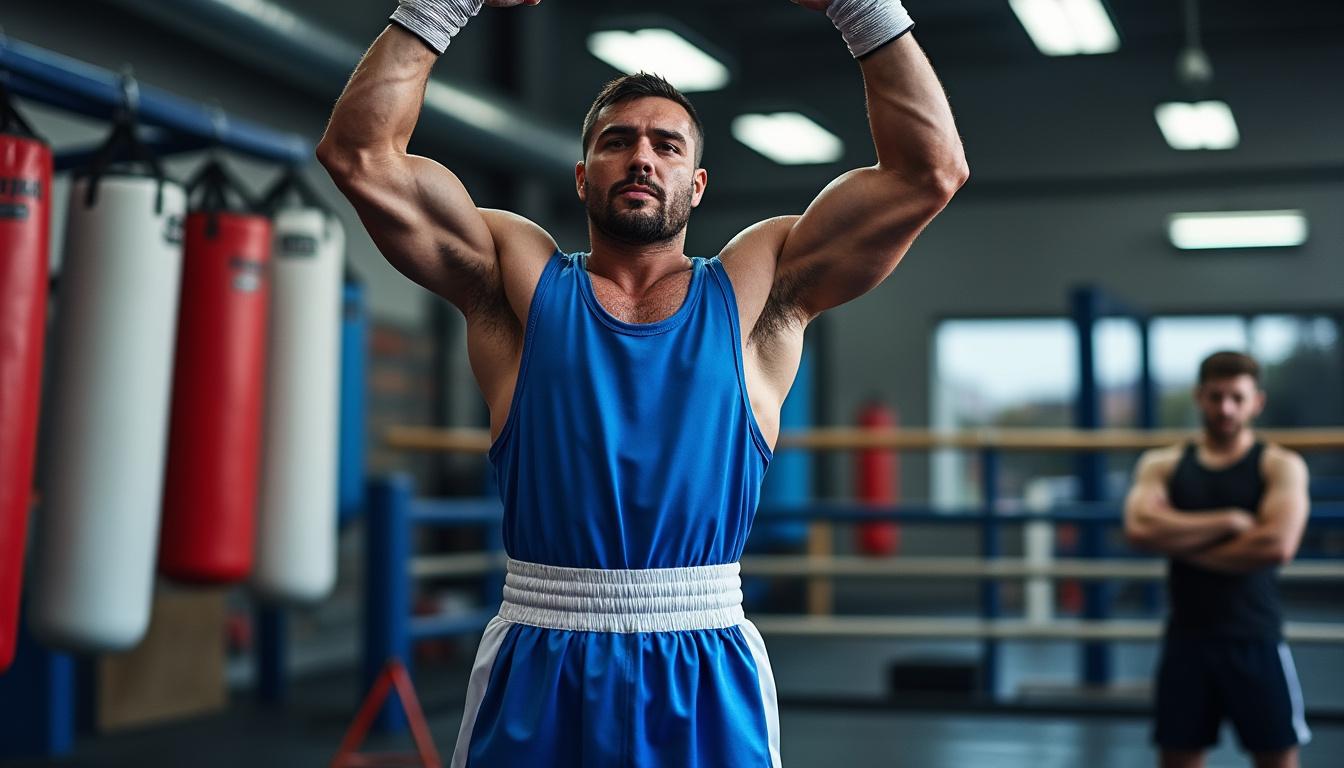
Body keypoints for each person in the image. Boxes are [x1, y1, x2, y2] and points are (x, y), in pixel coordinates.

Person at [317, 0, 966, 764]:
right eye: (618, 141)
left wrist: (863, 8)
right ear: (585, 175)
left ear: (695, 184)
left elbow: (931, 170)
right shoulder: (515, 279)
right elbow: (360, 154)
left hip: (703, 664)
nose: (642, 158)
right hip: (540, 656)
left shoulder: (760, 288)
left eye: (665, 144)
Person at [1124, 351, 1312, 768]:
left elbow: (1277, 547)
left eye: (1237, 398)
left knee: (1277, 759)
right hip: (1187, 637)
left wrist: (1176, 537)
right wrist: (1230, 521)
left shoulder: (1279, 465)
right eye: (1215, 397)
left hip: (1255, 635)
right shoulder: (1164, 463)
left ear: (1256, 402)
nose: (1226, 408)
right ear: (1199, 397)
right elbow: (1138, 529)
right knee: (1179, 758)